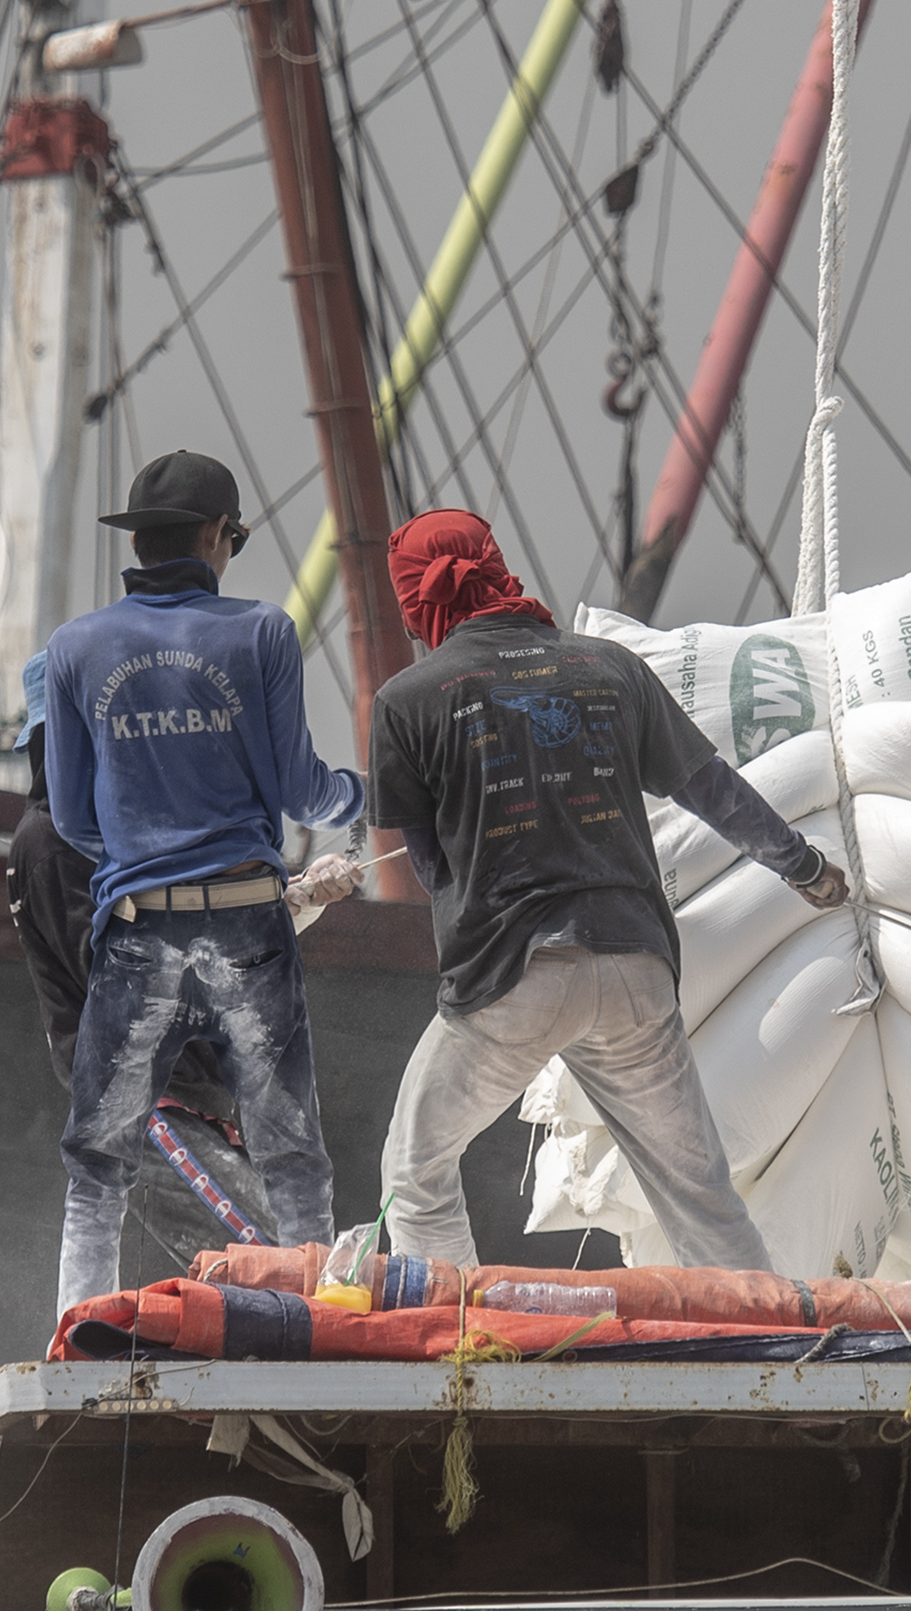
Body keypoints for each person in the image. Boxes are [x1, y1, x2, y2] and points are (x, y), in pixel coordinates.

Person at [363, 509, 850, 1270]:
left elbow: (430, 872)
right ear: (496, 568)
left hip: (509, 980)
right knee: (700, 1195)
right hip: (636, 970)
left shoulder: (408, 700)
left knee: (414, 1168)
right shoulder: (610, 667)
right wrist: (804, 867)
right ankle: (766, 1342)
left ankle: (448, 1334)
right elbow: (713, 791)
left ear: (416, 600)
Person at [39, 452, 368, 1315]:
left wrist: (146, 847)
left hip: (140, 929)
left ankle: (76, 1328)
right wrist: (357, 796)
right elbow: (304, 791)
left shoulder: (74, 648)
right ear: (220, 536)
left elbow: (73, 819)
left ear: (138, 543)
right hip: (248, 926)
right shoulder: (261, 632)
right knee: (290, 1149)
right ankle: (315, 1321)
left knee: (99, 1158)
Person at [2, 653, 284, 1269]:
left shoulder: (102, 840)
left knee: (264, 1275)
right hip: (150, 1108)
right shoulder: (52, 844)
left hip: (180, 1103)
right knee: (277, 1262)